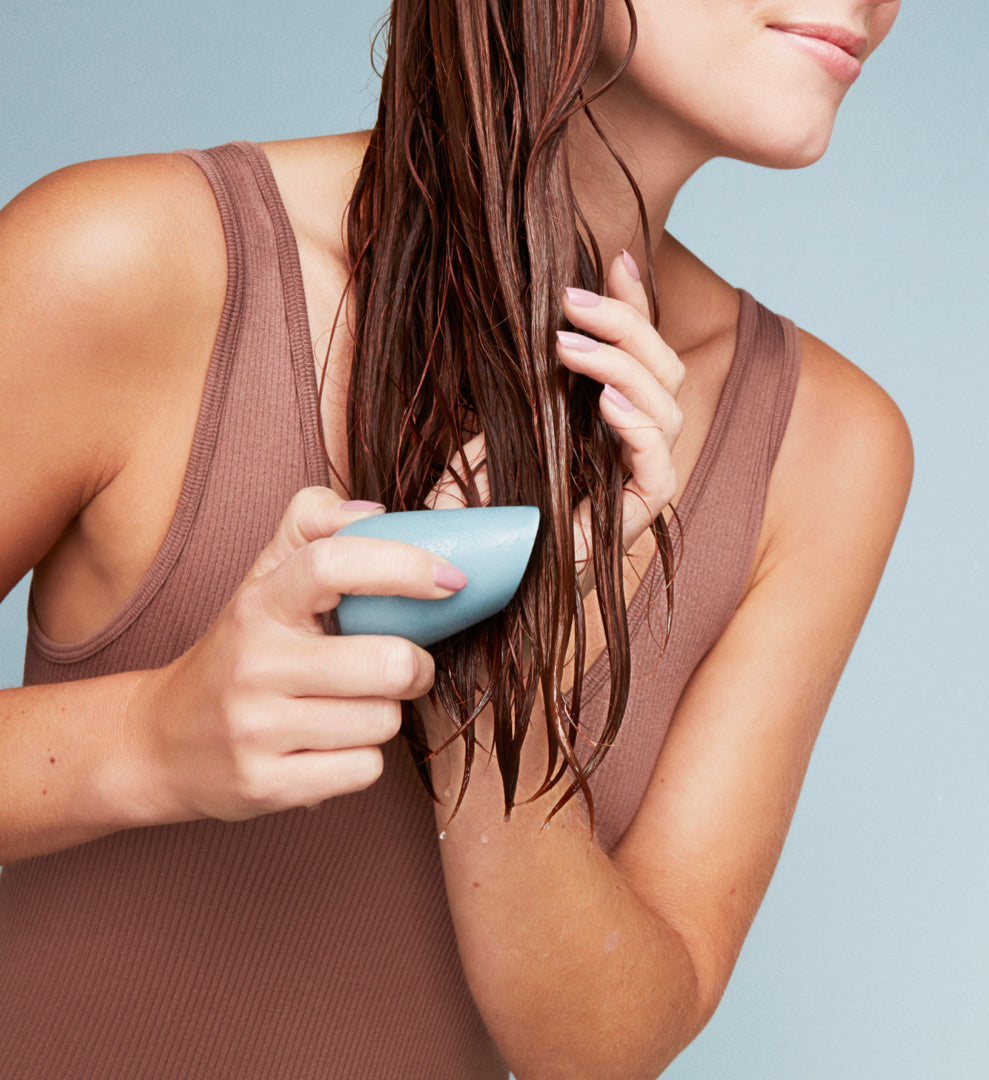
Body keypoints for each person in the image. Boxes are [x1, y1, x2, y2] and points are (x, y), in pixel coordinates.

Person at [0, 0, 910, 1076]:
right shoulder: (128, 260)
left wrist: (500, 699)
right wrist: (151, 741)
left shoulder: (827, 448)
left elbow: (604, 1046)